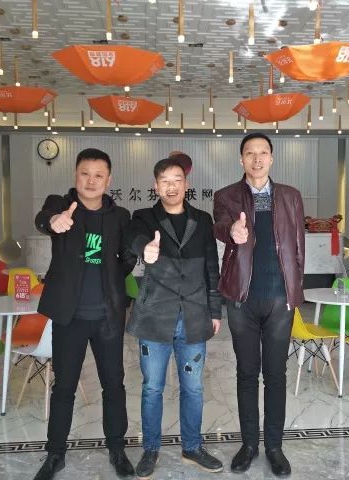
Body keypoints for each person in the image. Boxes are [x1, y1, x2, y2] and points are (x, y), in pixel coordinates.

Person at [32, 148, 137, 480]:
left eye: (98, 175)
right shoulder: (60, 204)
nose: (91, 181)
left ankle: (117, 449)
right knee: (64, 387)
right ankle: (55, 454)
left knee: (114, 385)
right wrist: (54, 221)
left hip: (107, 317)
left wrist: (111, 278)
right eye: (85, 174)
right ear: (75, 175)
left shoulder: (120, 216)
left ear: (109, 180)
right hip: (70, 317)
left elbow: (128, 257)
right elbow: (43, 218)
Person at [213, 133, 306, 477]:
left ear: (271, 158)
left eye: (263, 152)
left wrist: (294, 291)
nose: (256, 159)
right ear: (241, 159)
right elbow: (220, 226)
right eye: (250, 153)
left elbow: (298, 247)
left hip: (280, 299)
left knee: (276, 374)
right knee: (247, 373)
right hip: (242, 300)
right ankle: (249, 444)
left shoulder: (291, 196)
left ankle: (274, 447)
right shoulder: (226, 196)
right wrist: (232, 231)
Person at [126, 156, 223, 479]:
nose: (171, 186)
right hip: (155, 316)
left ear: (186, 184)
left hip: (193, 316)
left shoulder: (202, 220)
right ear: (156, 186)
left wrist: (215, 310)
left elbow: (211, 267)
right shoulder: (143, 217)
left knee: (193, 388)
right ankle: (151, 449)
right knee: (152, 388)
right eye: (164, 181)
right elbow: (133, 238)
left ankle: (192, 447)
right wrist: (145, 248)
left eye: (177, 180)